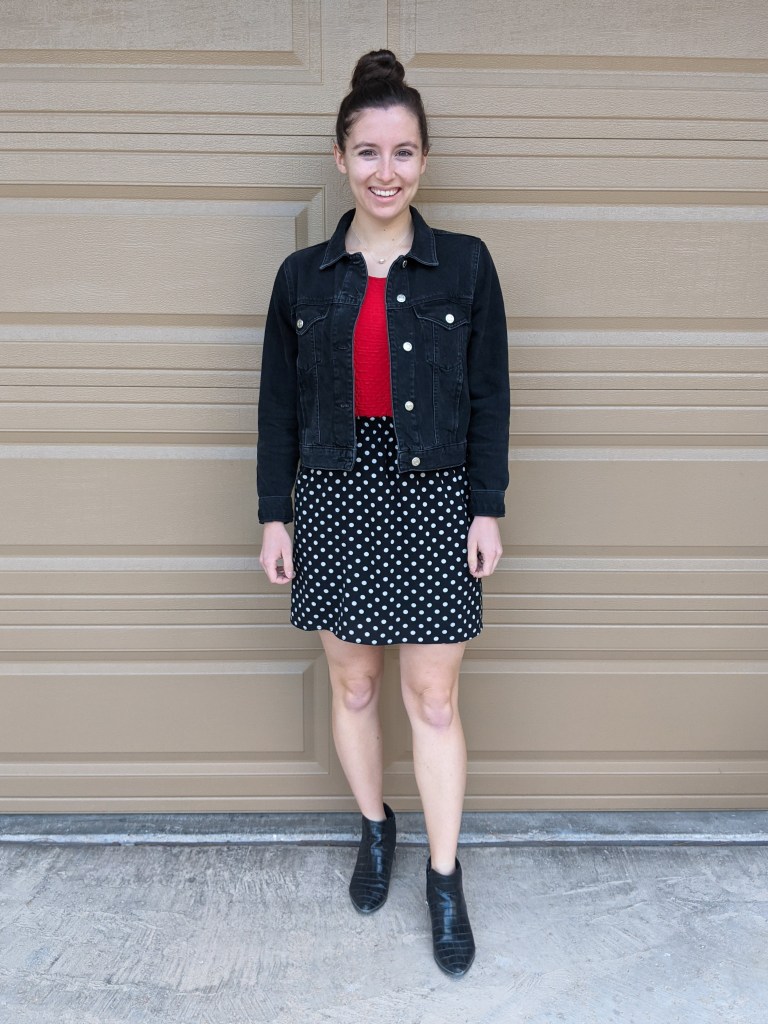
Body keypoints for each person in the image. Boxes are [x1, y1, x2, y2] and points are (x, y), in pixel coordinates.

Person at [257, 49, 509, 978]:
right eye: (368, 151)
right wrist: (274, 515)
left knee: (433, 700)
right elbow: (276, 407)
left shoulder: (466, 267)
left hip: (436, 497)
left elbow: (490, 397)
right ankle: (374, 827)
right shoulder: (302, 278)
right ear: (340, 158)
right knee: (355, 687)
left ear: (425, 159)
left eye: (403, 152)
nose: (385, 170)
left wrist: (486, 508)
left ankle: (443, 876)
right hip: (334, 493)